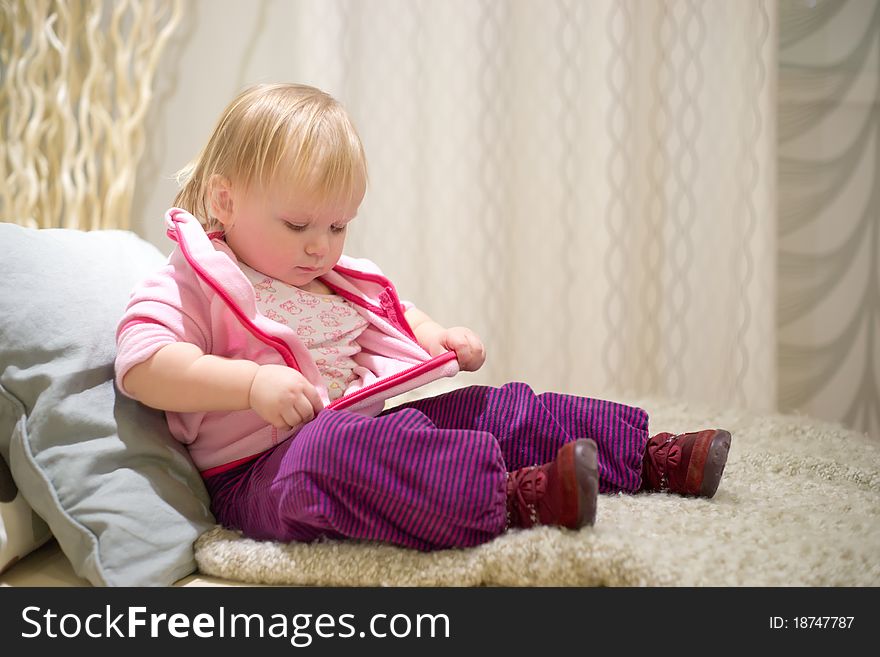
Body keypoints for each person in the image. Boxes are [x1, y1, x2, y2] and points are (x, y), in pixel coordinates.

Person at [115, 83, 732, 550]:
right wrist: (249, 385)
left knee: (489, 407)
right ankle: (513, 497)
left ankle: (645, 456)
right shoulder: (195, 278)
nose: (319, 245)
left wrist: (436, 334)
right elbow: (144, 363)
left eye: (337, 225)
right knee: (332, 454)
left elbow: (391, 313)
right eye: (299, 224)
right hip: (260, 474)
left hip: (365, 424)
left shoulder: (328, 277)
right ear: (227, 199)